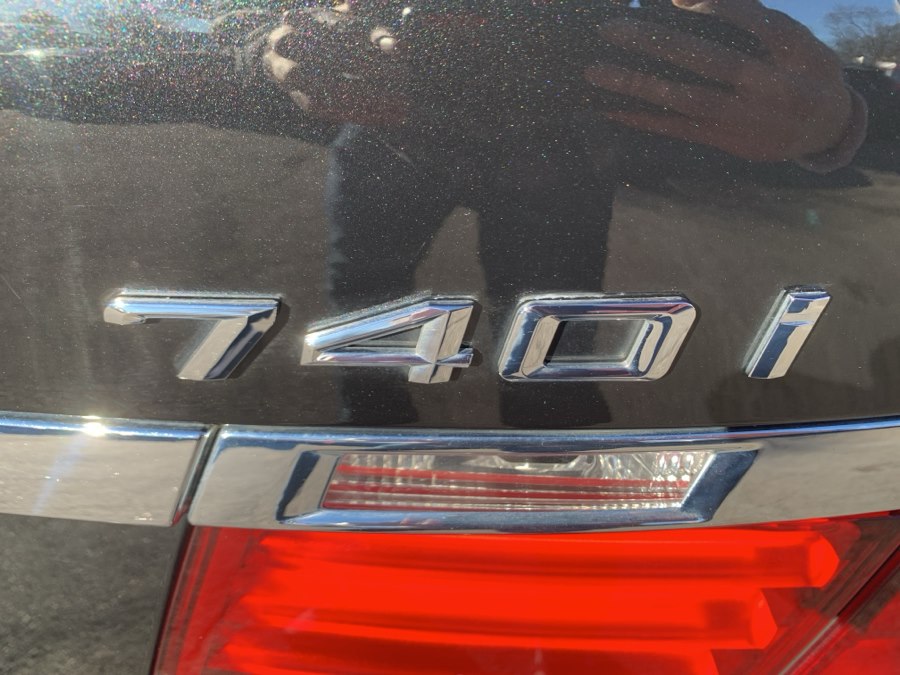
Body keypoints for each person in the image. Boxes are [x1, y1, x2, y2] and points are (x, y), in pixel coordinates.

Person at [244, 0, 868, 426]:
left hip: (554, 148)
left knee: (545, 319)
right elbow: (261, 26)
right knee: (371, 288)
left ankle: (544, 439)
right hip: (396, 134)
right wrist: (282, 47)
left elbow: (712, 35)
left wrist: (836, 121)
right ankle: (374, 422)